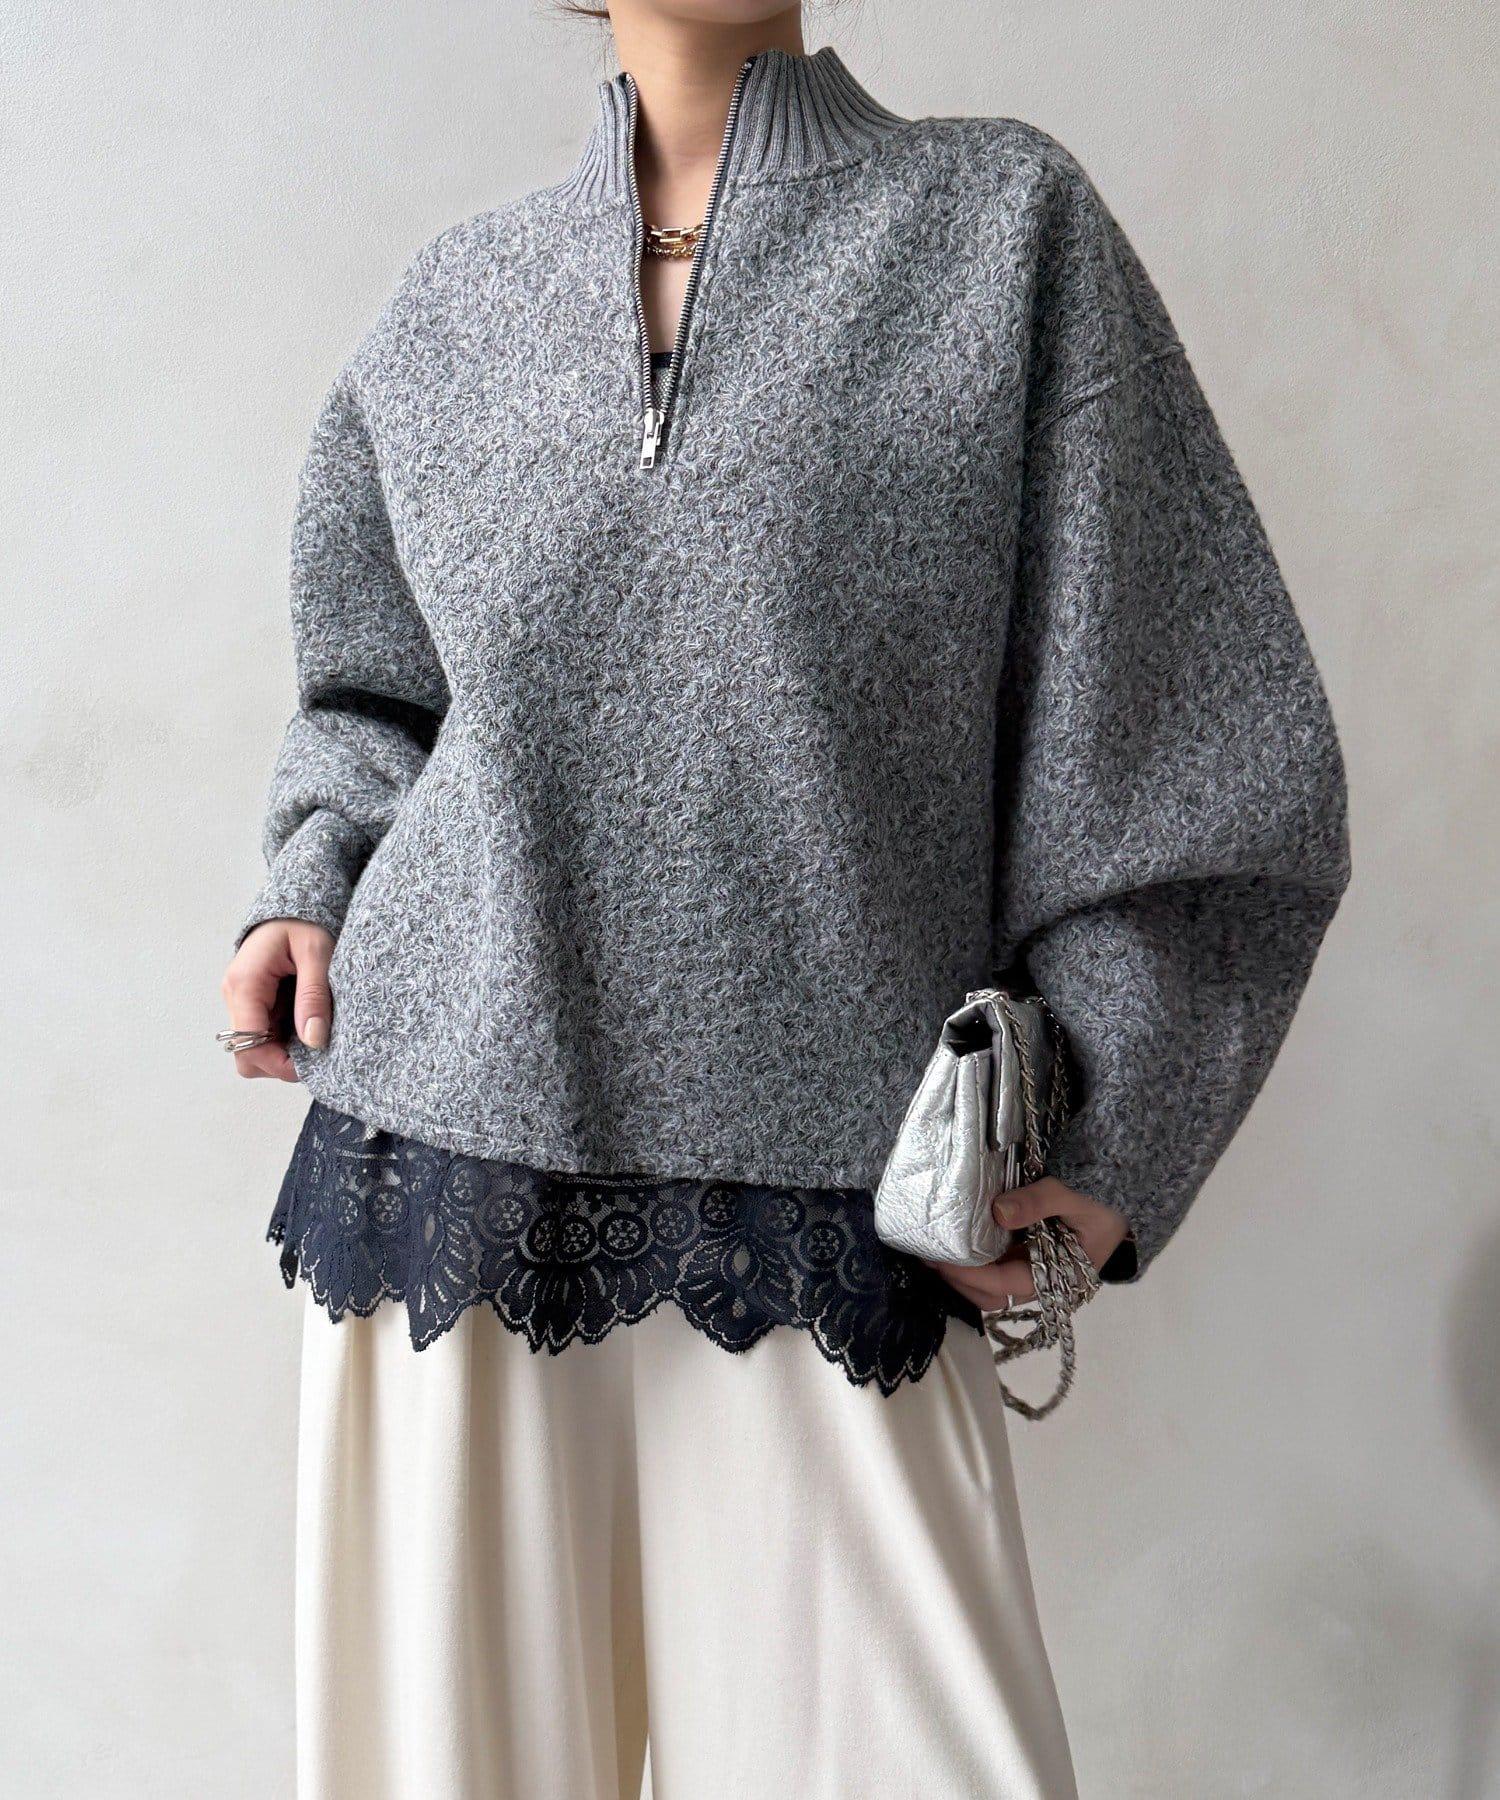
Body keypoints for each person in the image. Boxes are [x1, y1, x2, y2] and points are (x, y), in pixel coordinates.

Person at [221, 4, 1351, 1795]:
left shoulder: (1007, 231)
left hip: (848, 1210)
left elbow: (1198, 748)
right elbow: (372, 702)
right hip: (436, 1183)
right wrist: (310, 884)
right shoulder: (452, 305)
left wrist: (1110, 1144)